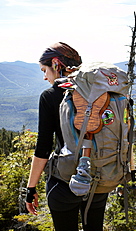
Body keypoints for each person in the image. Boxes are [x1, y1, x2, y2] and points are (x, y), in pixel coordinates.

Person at [25, 42, 109, 231]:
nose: (45, 76)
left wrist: (31, 189)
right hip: (98, 182)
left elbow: (43, 148)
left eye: (44, 70)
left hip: (64, 184)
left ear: (56, 65)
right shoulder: (100, 93)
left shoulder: (50, 96)